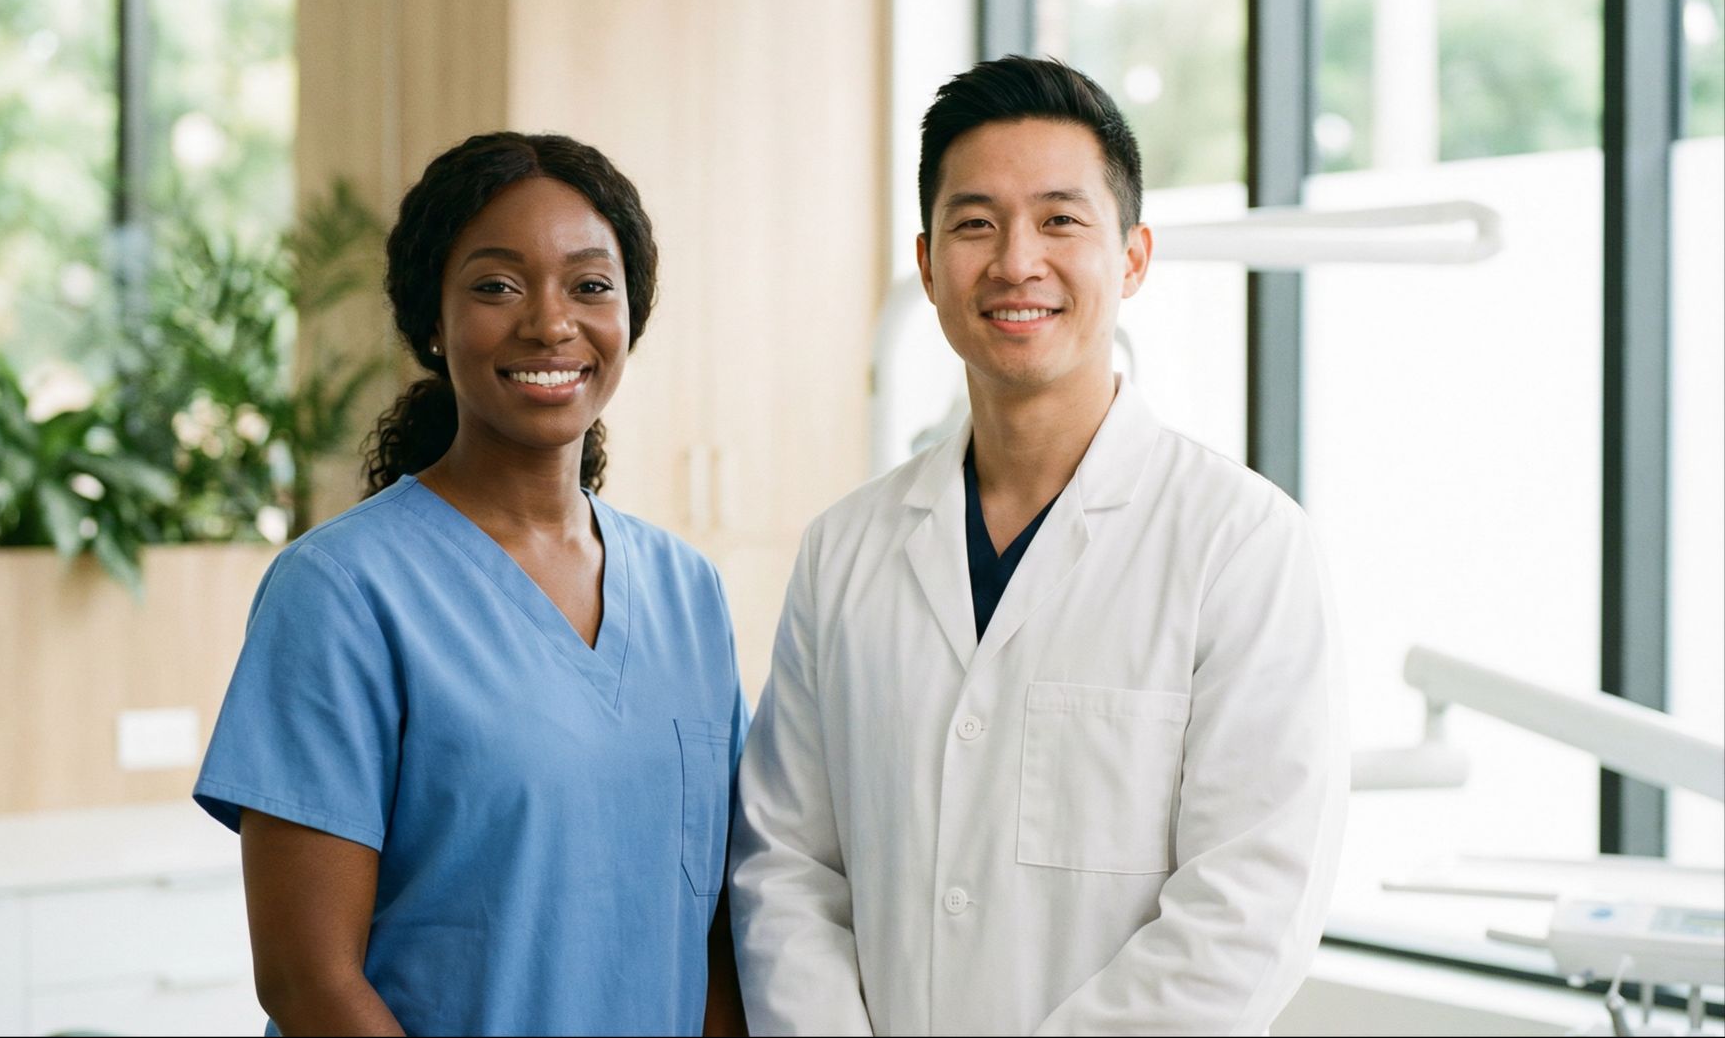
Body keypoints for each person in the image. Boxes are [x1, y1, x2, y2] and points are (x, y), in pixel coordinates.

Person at [728, 56, 1346, 1036]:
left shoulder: (1242, 544)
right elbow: (786, 866)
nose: (1017, 261)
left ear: (1133, 256)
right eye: (976, 223)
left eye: (1061, 219)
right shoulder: (843, 551)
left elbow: (1250, 903)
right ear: (929, 264)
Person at [194, 132, 749, 1037]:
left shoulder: (689, 593)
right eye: (496, 284)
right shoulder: (339, 592)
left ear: (630, 317)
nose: (548, 322)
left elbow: (721, 931)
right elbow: (308, 981)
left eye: (590, 284)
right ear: (431, 321)